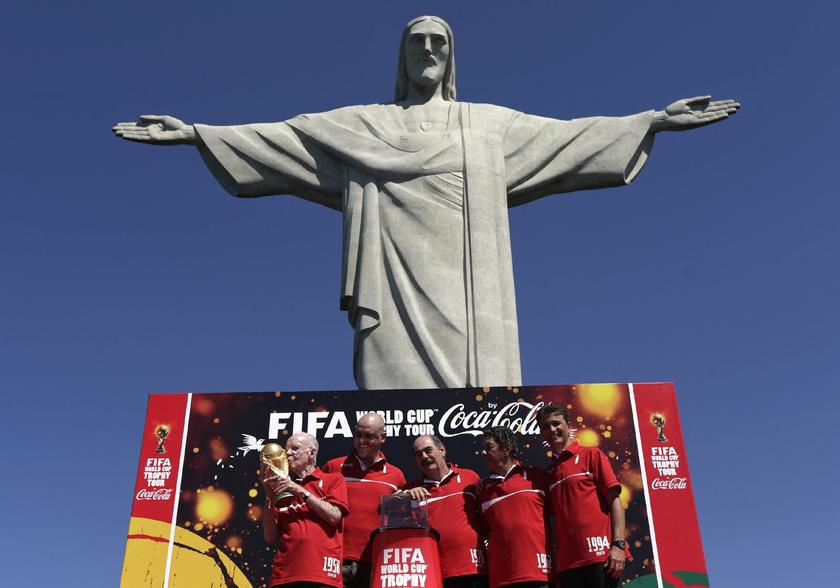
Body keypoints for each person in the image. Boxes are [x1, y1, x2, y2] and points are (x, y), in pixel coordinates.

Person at [113, 16, 739, 391]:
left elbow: (565, 135)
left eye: (440, 43)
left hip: (470, 281)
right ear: (403, 55)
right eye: (418, 43)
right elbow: (287, 138)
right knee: (387, 377)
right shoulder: (362, 125)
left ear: (451, 55)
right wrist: (199, 133)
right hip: (389, 274)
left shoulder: (485, 125)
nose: (430, 52)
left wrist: (652, 120)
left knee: (477, 378)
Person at [537, 404, 627, 588]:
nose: (552, 430)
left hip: (601, 558)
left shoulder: (591, 454)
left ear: (568, 426)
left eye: (556, 424)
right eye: (545, 427)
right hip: (567, 567)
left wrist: (618, 546)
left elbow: (615, 501)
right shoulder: (548, 473)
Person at [321, 412, 406, 588]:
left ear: (383, 437)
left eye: (368, 436)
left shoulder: (396, 476)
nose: (361, 441)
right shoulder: (333, 467)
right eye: (358, 434)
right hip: (335, 559)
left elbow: (401, 521)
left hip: (376, 561)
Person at [262, 432, 349, 588]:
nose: (288, 453)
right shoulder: (282, 489)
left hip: (322, 576)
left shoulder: (333, 479)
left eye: (295, 448)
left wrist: (300, 491)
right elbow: (270, 536)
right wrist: (269, 496)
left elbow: (334, 516)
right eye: (286, 450)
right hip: (284, 576)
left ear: (312, 452)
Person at [402, 435, 487, 588]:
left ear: (442, 450)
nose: (424, 457)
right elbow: (384, 510)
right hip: (433, 572)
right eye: (418, 454)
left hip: (474, 569)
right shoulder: (412, 490)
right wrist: (403, 496)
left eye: (428, 450)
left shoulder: (470, 477)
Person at [477, 426, 552, 588]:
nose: (484, 453)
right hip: (501, 579)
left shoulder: (537, 477)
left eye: (489, 447)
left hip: (540, 574)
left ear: (506, 449)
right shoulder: (482, 491)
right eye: (483, 449)